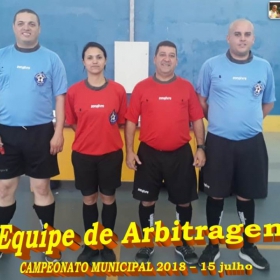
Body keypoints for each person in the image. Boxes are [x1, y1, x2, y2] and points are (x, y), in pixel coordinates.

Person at [196, 19, 275, 270]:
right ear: (228, 38)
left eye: (247, 34)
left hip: (251, 143)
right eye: (237, 34)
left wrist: (249, 123)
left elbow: (268, 102)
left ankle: (248, 247)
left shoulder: (264, 67)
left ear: (253, 39)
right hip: (219, 142)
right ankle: (212, 245)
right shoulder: (211, 66)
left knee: (246, 194)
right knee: (215, 194)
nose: (242, 38)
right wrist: (223, 122)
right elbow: (202, 100)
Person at [125, 40, 206, 264]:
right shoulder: (142, 87)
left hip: (180, 154)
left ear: (177, 60)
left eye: (171, 55)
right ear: (154, 59)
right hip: (148, 154)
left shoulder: (186, 87)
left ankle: (182, 243)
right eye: (162, 54)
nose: (166, 59)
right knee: (147, 201)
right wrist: (129, 151)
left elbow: (197, 119)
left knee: (184, 202)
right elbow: (131, 121)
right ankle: (147, 243)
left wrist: (200, 147)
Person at [0, 9, 67, 262]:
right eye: (21, 23)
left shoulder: (52, 59)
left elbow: (60, 97)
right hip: (5, 132)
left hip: (41, 132)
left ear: (39, 28)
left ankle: (48, 240)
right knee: (5, 189)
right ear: (14, 27)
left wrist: (58, 132)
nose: (26, 27)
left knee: (41, 186)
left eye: (31, 24)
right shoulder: (2, 57)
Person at [65, 42, 127, 263]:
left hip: (110, 155)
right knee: (89, 199)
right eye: (90, 57)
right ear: (83, 61)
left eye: (99, 57)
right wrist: (88, 137)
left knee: (108, 198)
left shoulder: (118, 90)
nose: (94, 61)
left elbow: (119, 122)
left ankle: (107, 243)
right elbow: (72, 123)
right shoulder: (73, 92)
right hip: (83, 156)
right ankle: (91, 245)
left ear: (105, 60)